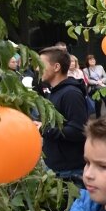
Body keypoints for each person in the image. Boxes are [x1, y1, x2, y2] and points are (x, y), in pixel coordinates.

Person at [38, 46, 89, 184]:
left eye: (41, 64)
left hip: (69, 173)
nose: (38, 69)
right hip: (56, 169)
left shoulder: (71, 94)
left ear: (56, 67)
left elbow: (78, 130)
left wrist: (44, 129)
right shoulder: (54, 92)